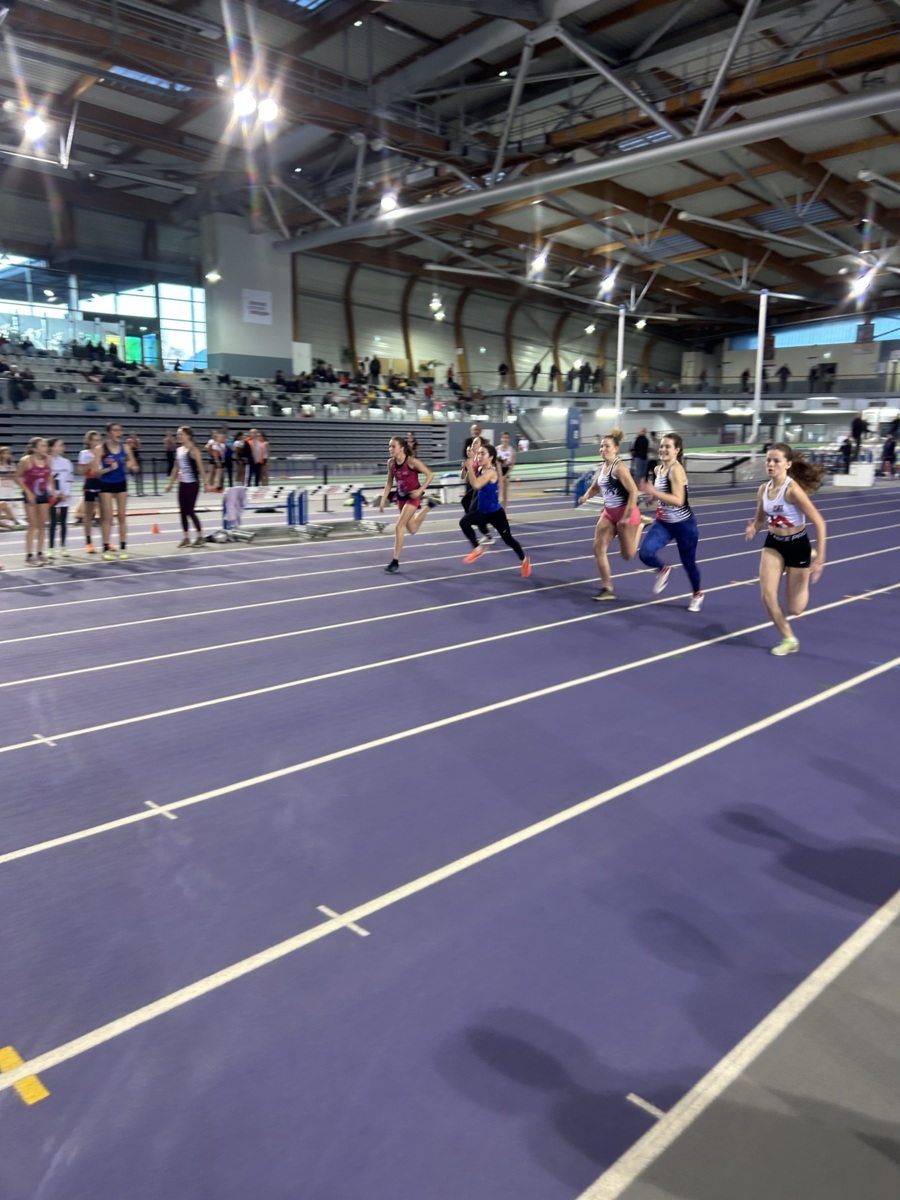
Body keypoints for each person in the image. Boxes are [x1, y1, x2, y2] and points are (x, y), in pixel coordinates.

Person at [744, 443, 827, 656]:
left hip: (797, 545)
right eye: (768, 460)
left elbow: (820, 522)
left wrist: (820, 559)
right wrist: (754, 528)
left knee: (795, 609)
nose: (771, 464)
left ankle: (809, 560)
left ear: (787, 464)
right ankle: (789, 638)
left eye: (776, 461)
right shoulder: (763, 490)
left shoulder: (793, 491)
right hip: (774, 544)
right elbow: (761, 520)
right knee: (767, 594)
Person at [638, 432, 704, 611]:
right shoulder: (658, 469)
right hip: (664, 523)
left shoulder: (676, 470)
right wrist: (652, 497)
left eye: (668, 447)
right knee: (645, 553)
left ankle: (697, 594)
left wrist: (655, 492)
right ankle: (663, 568)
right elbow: (662, 492)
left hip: (684, 525)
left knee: (688, 564)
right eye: (661, 446)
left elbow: (679, 500)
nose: (663, 449)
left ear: (677, 450)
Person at [578, 428, 642, 601]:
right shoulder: (602, 467)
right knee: (598, 548)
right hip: (609, 513)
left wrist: (627, 516)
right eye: (601, 446)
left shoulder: (620, 468)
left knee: (628, 555)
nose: (603, 449)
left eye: (607, 446)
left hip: (625, 513)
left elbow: (634, 491)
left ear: (616, 449)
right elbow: (595, 487)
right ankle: (607, 588)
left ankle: (641, 525)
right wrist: (586, 496)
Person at [459, 442, 531, 577]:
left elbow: (476, 485)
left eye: (482, 454)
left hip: (495, 514)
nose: (479, 456)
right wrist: (467, 469)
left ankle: (524, 560)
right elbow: (471, 481)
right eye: (478, 454)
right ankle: (478, 549)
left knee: (508, 539)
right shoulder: (481, 470)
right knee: (464, 522)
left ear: (491, 457)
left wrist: (470, 467)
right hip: (482, 512)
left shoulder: (491, 472)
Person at [379, 436, 438, 574]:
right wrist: (383, 500)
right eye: (389, 446)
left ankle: (395, 562)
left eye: (393, 446)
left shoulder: (411, 461)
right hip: (401, 498)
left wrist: (419, 490)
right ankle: (429, 506)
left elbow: (430, 475)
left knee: (399, 526)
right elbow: (389, 482)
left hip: (413, 497)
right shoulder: (391, 463)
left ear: (401, 448)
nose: (390, 449)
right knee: (412, 529)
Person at [93, 420, 138, 561]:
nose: (119, 433)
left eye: (120, 430)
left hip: (120, 483)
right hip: (106, 483)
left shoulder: (126, 447)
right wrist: (108, 469)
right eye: (115, 430)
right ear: (109, 433)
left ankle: (123, 547)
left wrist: (132, 467)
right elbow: (94, 471)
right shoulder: (101, 448)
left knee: (122, 516)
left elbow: (135, 466)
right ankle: (106, 547)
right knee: (107, 517)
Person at [14, 436, 56, 565]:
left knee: (42, 525)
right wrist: (28, 493)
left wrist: (52, 488)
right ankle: (29, 556)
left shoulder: (48, 459)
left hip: (43, 494)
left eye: (46, 446)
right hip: (30, 495)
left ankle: (40, 553)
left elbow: (48, 475)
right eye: (42, 446)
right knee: (32, 525)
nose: (46, 448)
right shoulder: (26, 461)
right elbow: (17, 477)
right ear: (34, 449)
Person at [165, 426, 208, 548]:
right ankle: (186, 538)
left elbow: (201, 468)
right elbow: (176, 468)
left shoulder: (194, 450)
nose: (179, 436)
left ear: (188, 436)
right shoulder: (179, 450)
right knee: (183, 511)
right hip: (182, 484)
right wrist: (170, 483)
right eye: (178, 434)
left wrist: (205, 483)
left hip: (192, 484)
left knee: (189, 511)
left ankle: (200, 536)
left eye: (181, 434)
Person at [46, 437, 74, 560]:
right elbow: (47, 480)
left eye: (62, 445)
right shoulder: (47, 462)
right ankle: (50, 548)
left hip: (65, 497)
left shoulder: (67, 462)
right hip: (52, 496)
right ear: (52, 447)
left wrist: (65, 493)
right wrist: (55, 493)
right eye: (59, 445)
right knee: (52, 522)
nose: (62, 447)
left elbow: (69, 479)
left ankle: (63, 547)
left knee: (63, 522)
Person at [78, 430, 102, 553]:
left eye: (98, 440)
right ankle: (88, 542)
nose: (97, 442)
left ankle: (106, 542)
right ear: (89, 441)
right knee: (88, 514)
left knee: (105, 514)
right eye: (94, 440)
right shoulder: (84, 453)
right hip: (91, 482)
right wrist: (93, 460)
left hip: (103, 482)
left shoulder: (104, 452)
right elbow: (82, 471)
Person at [496, 429, 516, 508]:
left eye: (507, 438)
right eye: (503, 438)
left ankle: (504, 511)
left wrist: (505, 475)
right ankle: (495, 511)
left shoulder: (512, 451)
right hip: (497, 472)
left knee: (505, 494)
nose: (505, 439)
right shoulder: (496, 449)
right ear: (501, 439)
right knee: (496, 493)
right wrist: (499, 475)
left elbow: (512, 465)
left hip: (506, 472)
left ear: (509, 439)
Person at [127, 430, 143, 496]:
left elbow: (139, 447)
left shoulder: (137, 440)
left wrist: (136, 446)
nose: (133, 436)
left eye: (134, 434)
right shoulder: (128, 440)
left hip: (136, 453)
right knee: (131, 465)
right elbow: (127, 447)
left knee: (137, 464)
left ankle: (137, 475)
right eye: (132, 434)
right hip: (131, 453)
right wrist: (131, 447)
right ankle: (132, 474)